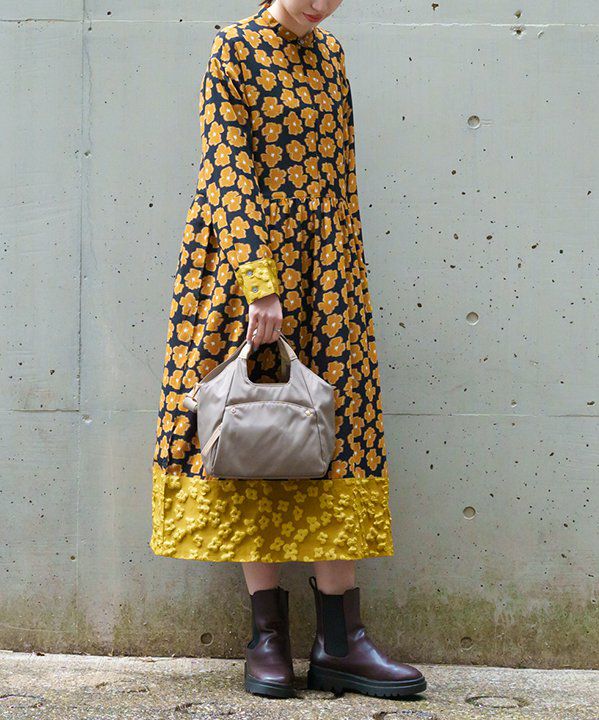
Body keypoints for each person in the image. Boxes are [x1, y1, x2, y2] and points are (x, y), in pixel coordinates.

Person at [149, 0, 427, 700]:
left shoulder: (331, 57)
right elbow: (226, 172)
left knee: (338, 441)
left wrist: (345, 272)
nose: (319, 3)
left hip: (327, 270)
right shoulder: (233, 49)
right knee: (255, 435)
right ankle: (267, 637)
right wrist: (260, 283)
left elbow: (341, 176)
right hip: (248, 273)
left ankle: (340, 641)